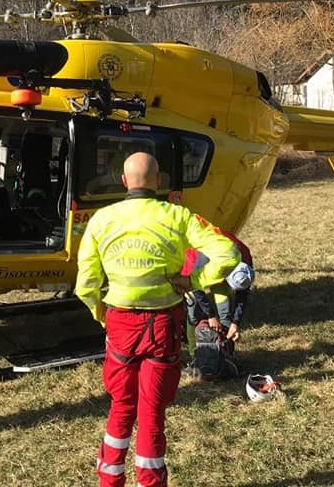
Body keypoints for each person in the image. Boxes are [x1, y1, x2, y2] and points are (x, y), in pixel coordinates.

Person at [75, 152, 240, 487]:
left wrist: (101, 313)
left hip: (120, 324)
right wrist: (194, 281)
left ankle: (109, 479)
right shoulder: (179, 217)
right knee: (151, 413)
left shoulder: (101, 221)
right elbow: (229, 253)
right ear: (160, 182)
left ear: (123, 181)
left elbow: (85, 285)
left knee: (122, 405)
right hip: (162, 326)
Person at [185, 233, 255, 380]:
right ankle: (195, 358)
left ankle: (226, 356)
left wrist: (235, 323)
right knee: (192, 311)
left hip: (221, 266)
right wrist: (210, 315)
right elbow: (195, 286)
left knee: (225, 311)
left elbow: (242, 295)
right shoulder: (205, 256)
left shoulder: (245, 257)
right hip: (194, 269)